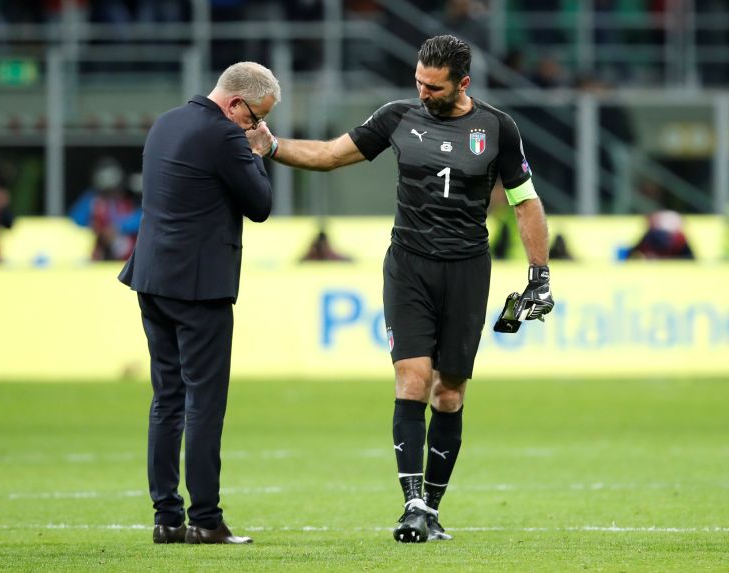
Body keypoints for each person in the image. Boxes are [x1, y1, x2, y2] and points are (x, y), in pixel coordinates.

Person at [248, 35, 554, 543]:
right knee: (413, 378)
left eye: (433, 87)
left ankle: (430, 509)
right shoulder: (396, 117)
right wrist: (273, 146)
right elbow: (327, 154)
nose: (422, 91)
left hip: (467, 269)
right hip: (408, 266)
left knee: (450, 391)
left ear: (463, 84)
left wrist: (538, 274)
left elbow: (525, 202)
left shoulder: (498, 128)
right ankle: (411, 504)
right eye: (418, 81)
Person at [118, 61, 280, 545]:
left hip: (151, 276)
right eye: (255, 118)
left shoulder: (165, 122)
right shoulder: (227, 137)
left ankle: (166, 518)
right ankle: (206, 520)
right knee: (204, 403)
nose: (257, 128)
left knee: (166, 398)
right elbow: (261, 206)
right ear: (234, 104)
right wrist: (257, 153)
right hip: (199, 286)